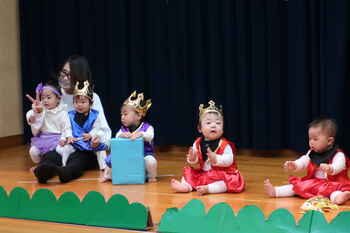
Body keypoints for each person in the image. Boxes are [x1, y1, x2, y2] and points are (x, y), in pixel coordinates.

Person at [264, 117, 350, 204]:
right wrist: (295, 164)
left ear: (329, 141)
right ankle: (276, 191)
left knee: (334, 193)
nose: (311, 142)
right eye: (310, 139)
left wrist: (331, 168)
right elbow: (304, 161)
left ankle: (339, 197)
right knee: (296, 186)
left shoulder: (338, 154)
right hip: (315, 183)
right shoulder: (312, 153)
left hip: (332, 184)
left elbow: (340, 164)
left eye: (315, 139)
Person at [170, 100, 245, 195]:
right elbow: (196, 161)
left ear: (222, 129)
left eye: (218, 123)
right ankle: (186, 186)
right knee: (190, 173)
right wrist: (193, 158)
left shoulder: (224, 144)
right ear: (200, 128)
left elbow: (229, 160)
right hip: (205, 173)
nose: (213, 125)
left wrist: (216, 159)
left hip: (222, 173)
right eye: (208, 123)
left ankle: (208, 189)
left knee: (225, 183)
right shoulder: (197, 143)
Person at [58, 55, 111, 169]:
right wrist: (37, 115)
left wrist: (95, 138)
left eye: (70, 75)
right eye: (64, 72)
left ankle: (65, 171)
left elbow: (105, 132)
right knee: (54, 156)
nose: (65, 78)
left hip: (85, 148)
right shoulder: (54, 96)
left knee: (79, 159)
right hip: (61, 146)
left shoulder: (93, 98)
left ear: (79, 77)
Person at [100, 91, 157, 182]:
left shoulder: (147, 127)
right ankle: (108, 175)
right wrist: (122, 135)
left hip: (143, 157)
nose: (122, 117)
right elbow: (117, 136)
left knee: (151, 161)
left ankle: (151, 176)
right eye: (121, 115)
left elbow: (150, 136)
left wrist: (141, 134)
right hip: (127, 158)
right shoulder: (123, 130)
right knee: (111, 158)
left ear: (138, 116)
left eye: (125, 114)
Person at [26, 81, 72, 168]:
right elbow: (30, 113)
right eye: (43, 98)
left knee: (60, 151)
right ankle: (40, 164)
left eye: (49, 97)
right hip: (43, 139)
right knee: (33, 151)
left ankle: (58, 165)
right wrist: (33, 116)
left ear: (58, 99)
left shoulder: (62, 113)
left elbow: (66, 128)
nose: (45, 100)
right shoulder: (41, 109)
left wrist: (63, 138)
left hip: (57, 139)